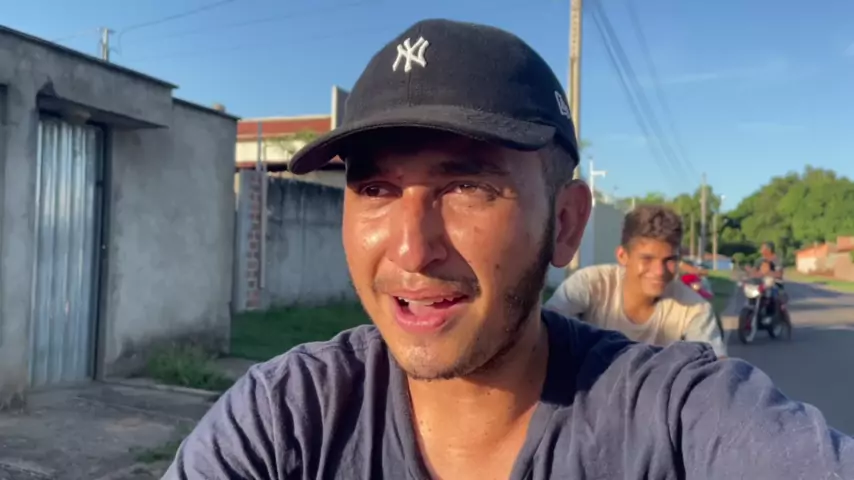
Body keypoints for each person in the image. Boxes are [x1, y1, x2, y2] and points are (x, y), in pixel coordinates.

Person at [165, 19, 853, 479]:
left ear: (567, 223)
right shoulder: (288, 419)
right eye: (375, 188)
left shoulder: (675, 418)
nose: (411, 248)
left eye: (467, 186)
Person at [544, 205, 727, 357]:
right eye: (647, 259)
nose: (659, 271)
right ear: (622, 256)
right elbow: (543, 332)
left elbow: (716, 368)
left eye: (669, 260)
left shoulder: (694, 309)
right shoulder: (591, 284)